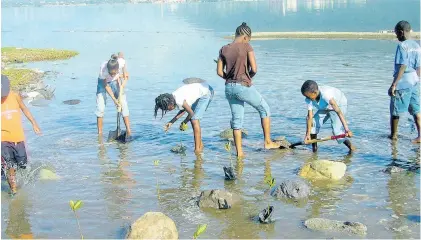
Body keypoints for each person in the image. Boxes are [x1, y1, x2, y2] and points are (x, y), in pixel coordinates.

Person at [216, 22, 280, 158]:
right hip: (243, 86)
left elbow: (220, 72)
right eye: (249, 39)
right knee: (264, 109)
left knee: (237, 120)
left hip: (229, 88)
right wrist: (247, 78)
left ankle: (239, 153)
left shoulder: (223, 49)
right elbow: (255, 69)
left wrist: (231, 78)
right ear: (245, 37)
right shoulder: (246, 46)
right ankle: (268, 142)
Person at [1, 75, 41, 195]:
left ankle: (13, 178)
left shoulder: (15, 96)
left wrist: (34, 123)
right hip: (3, 140)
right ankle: (13, 191)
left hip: (18, 138)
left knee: (22, 165)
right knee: (10, 165)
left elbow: (25, 109)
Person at [154, 81, 214, 154]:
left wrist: (184, 122)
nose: (168, 110)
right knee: (193, 119)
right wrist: (171, 122)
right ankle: (200, 145)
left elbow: (191, 113)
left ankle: (197, 150)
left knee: (194, 120)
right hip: (201, 90)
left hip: (206, 92)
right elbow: (185, 109)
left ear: (170, 103)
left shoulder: (179, 100)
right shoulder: (173, 97)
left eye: (167, 108)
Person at [388, 20, 420, 143]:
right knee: (417, 111)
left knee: (395, 110)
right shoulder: (417, 46)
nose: (396, 36)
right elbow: (419, 66)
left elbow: (403, 66)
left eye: (396, 33)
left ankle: (394, 136)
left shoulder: (402, 46)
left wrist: (394, 84)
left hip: (404, 82)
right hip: (415, 81)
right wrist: (417, 79)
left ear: (401, 32)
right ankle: (420, 136)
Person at [300, 80, 355, 152]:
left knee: (337, 132)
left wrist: (347, 130)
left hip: (339, 104)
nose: (307, 98)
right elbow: (309, 117)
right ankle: (314, 151)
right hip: (325, 106)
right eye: (305, 96)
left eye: (308, 96)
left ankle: (351, 147)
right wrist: (307, 134)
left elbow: (339, 112)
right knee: (313, 124)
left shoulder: (326, 95)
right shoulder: (309, 98)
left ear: (315, 93)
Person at [95, 54, 131, 140]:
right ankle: (100, 134)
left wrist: (124, 70)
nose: (112, 75)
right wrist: (114, 100)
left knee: (123, 104)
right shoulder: (103, 69)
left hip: (115, 82)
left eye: (114, 73)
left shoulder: (120, 63)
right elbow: (106, 85)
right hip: (103, 83)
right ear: (108, 70)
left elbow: (121, 54)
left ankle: (129, 131)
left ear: (118, 69)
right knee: (100, 107)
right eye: (111, 73)